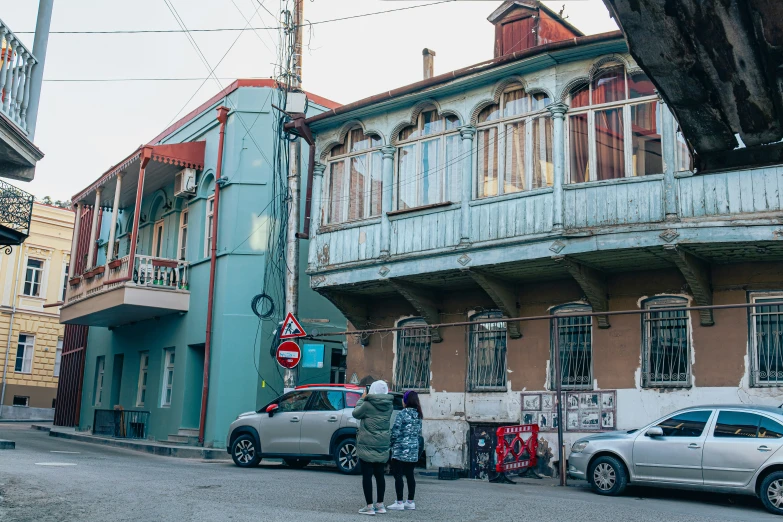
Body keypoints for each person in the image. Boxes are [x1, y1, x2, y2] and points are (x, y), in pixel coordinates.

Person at [352, 379, 393, 516]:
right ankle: (380, 505)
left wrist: (362, 399)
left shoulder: (367, 404)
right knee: (380, 475)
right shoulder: (389, 406)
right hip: (382, 444)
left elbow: (356, 413)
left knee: (367, 475)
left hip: (367, 444)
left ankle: (369, 506)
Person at [387, 390, 423, 511]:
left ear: (406, 401)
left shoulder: (402, 413)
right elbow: (419, 433)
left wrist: (390, 444)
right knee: (410, 475)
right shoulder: (419, 415)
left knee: (398, 476)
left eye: (403, 399)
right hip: (413, 450)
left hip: (400, 449)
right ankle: (410, 501)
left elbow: (395, 431)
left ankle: (399, 502)